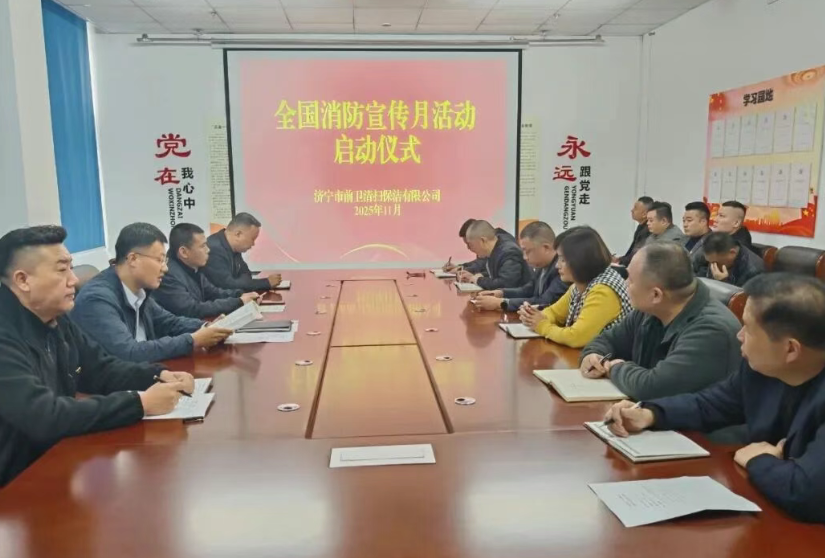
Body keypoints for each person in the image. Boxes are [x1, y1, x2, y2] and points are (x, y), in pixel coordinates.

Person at [602, 273, 825, 524]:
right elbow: (711, 404)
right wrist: (650, 413)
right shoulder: (761, 369)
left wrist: (757, 460)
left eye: (749, 329)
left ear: (790, 349)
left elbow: (808, 494)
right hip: (767, 508)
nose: (739, 335)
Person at [0, 226, 194, 487]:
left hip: (50, 464)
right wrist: (139, 403)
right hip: (14, 485)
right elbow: (43, 415)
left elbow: (100, 368)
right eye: (61, 270)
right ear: (23, 280)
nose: (73, 280)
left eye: (71, 268)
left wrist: (157, 374)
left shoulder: (55, 319)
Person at [580, 243, 741, 400]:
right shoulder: (649, 311)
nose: (625, 284)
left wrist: (615, 368)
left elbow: (653, 388)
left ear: (656, 295)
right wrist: (593, 355)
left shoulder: (711, 331)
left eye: (630, 280)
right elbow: (607, 340)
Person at [71, 223, 232, 362]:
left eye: (165, 260)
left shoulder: (140, 290)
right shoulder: (97, 299)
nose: (165, 268)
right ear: (133, 259)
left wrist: (207, 327)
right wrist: (192, 340)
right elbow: (129, 352)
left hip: (145, 373)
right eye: (159, 260)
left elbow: (169, 322)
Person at [519, 226, 632, 348]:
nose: (557, 265)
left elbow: (576, 337)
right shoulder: (581, 283)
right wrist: (533, 317)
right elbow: (555, 313)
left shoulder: (603, 291)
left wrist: (542, 325)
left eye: (562, 260)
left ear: (580, 260)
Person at [154, 223, 262, 319]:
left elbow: (214, 292)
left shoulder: (193, 268)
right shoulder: (168, 275)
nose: (208, 249)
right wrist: (239, 301)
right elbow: (192, 309)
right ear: (184, 252)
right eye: (202, 246)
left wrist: (241, 294)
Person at [473, 221, 569, 311]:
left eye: (528, 251)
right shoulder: (542, 266)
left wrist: (501, 303)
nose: (524, 257)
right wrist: (501, 293)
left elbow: (544, 302)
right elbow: (528, 290)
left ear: (546, 247)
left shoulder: (563, 270)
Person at [203, 213, 281, 292]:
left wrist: (239, 282)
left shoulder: (234, 248)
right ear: (238, 234)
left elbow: (246, 275)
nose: (253, 244)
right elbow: (228, 286)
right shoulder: (213, 249)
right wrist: (266, 283)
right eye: (252, 239)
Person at [456, 220, 532, 290]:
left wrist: (478, 280)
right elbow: (499, 273)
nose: (469, 248)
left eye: (470, 244)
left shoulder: (509, 252)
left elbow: (505, 283)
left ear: (482, 240)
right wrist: (479, 275)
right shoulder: (493, 249)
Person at [443, 219, 517, 275]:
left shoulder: (503, 244)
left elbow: (483, 264)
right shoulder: (489, 240)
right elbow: (479, 262)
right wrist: (461, 266)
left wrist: (463, 270)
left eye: (469, 244)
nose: (468, 248)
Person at [615, 196, 654, 266]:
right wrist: (620, 259)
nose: (632, 210)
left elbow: (635, 254)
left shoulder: (648, 230)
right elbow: (631, 251)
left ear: (644, 214)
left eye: (635, 208)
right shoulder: (640, 227)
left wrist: (620, 261)